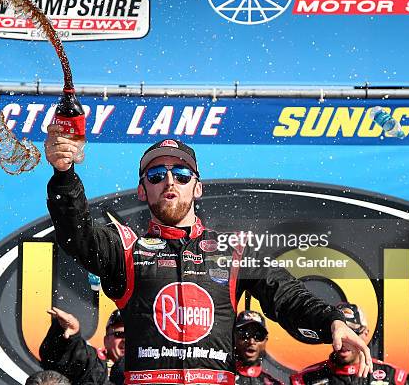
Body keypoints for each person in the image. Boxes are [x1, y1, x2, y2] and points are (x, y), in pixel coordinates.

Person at [44, 134, 372, 384]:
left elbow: (286, 294)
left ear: (197, 188)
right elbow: (76, 234)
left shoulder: (234, 250)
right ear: (142, 190)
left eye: (182, 173)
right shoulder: (126, 247)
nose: (170, 181)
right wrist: (64, 174)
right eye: (156, 175)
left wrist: (333, 320)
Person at [290, 302, 408, 385]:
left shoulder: (392, 376)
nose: (343, 340)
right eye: (337, 332)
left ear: (365, 333)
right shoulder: (305, 380)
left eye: (352, 332)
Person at [39, 307, 125, 384]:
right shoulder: (95, 363)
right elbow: (71, 357)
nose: (126, 340)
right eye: (120, 334)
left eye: (134, 336)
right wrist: (67, 338)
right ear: (106, 340)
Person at [234, 311, 282, 384]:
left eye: (258, 336)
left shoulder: (273, 383)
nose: (251, 341)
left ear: (266, 340)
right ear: (234, 338)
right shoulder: (220, 376)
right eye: (244, 335)